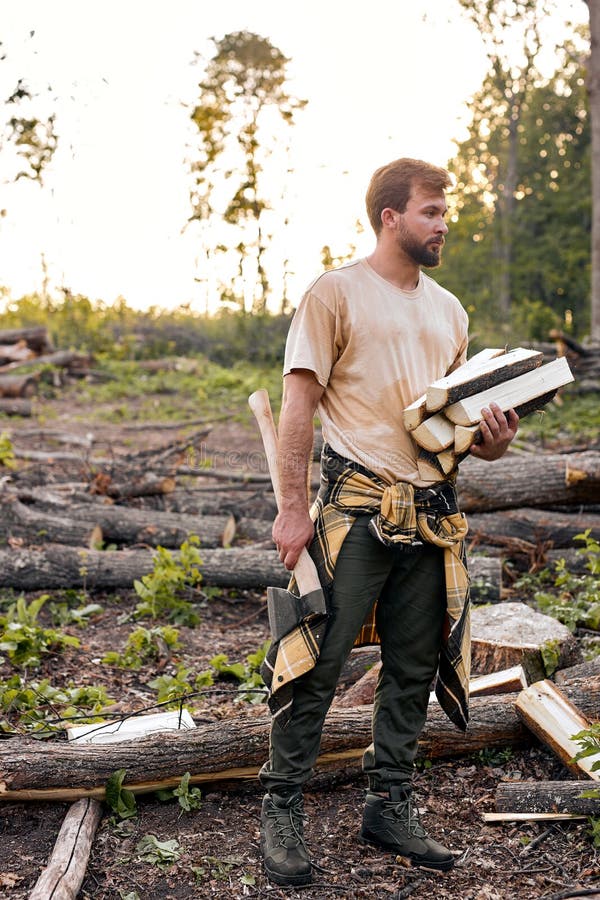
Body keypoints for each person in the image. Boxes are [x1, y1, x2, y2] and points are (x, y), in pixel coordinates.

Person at [258, 157, 519, 887]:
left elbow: (458, 431)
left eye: (446, 213)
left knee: (413, 667)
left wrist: (493, 440)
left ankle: (389, 806)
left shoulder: (450, 311)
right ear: (390, 217)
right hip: (356, 509)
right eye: (432, 212)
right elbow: (297, 408)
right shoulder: (335, 294)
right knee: (318, 660)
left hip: (432, 515)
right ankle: (281, 810)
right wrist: (289, 508)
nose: (444, 225)